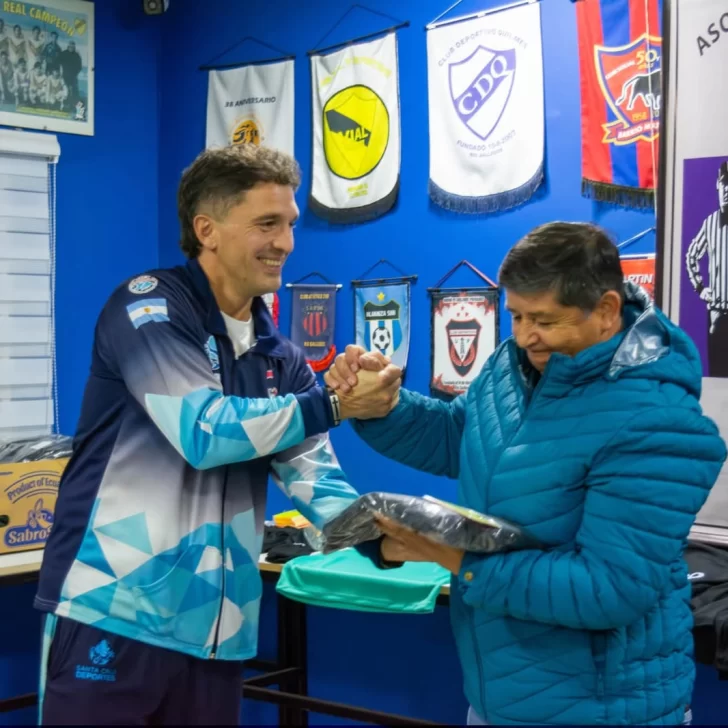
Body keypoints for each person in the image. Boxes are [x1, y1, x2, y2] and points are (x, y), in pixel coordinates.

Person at [35, 144, 401, 725]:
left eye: (290, 224)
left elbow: (315, 478)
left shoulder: (279, 356)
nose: (286, 242)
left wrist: (389, 539)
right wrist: (332, 403)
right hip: (113, 611)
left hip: (217, 632)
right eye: (267, 223)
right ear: (206, 229)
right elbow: (202, 431)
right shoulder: (149, 310)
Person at [325, 222, 727, 726]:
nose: (523, 335)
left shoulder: (658, 421)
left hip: (603, 711)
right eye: (515, 315)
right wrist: (381, 405)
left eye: (544, 320)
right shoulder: (512, 367)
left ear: (606, 310)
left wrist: (453, 556)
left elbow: (608, 589)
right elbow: (457, 437)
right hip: (499, 697)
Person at [686, 159, 728, 377]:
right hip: (717, 313)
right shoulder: (710, 223)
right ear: (717, 185)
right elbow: (691, 255)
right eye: (724, 183)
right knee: (717, 372)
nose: (727, 189)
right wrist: (701, 288)